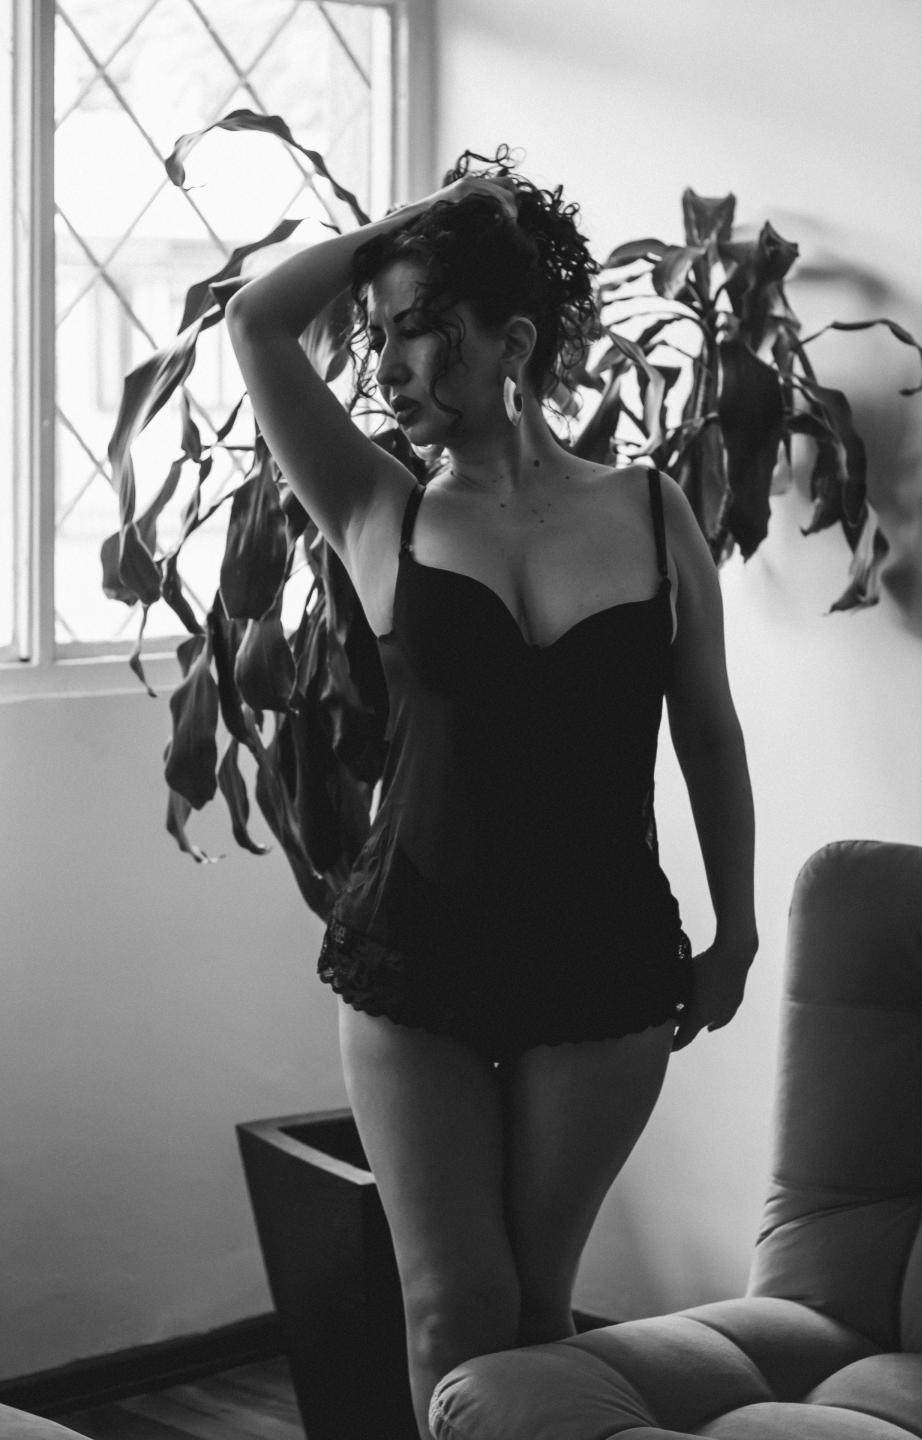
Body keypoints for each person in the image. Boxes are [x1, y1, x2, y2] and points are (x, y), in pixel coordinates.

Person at [226, 149, 757, 1440]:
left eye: (421, 331)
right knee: (449, 1311)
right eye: (380, 337)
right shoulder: (380, 509)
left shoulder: (651, 511)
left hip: (603, 961)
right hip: (416, 954)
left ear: (513, 342)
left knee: (530, 1309)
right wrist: (421, 226)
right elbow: (258, 323)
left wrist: (735, 931)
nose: (389, 368)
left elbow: (707, 730)